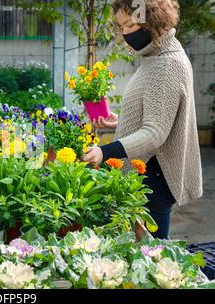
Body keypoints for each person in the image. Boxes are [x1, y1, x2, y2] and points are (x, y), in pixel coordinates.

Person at [82, 0, 203, 239]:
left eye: (130, 25)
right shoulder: (155, 55)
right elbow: (160, 113)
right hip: (148, 171)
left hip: (154, 176)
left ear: (151, 21)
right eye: (122, 27)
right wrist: (124, 120)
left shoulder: (167, 64)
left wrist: (104, 152)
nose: (126, 33)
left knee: (150, 260)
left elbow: (156, 133)